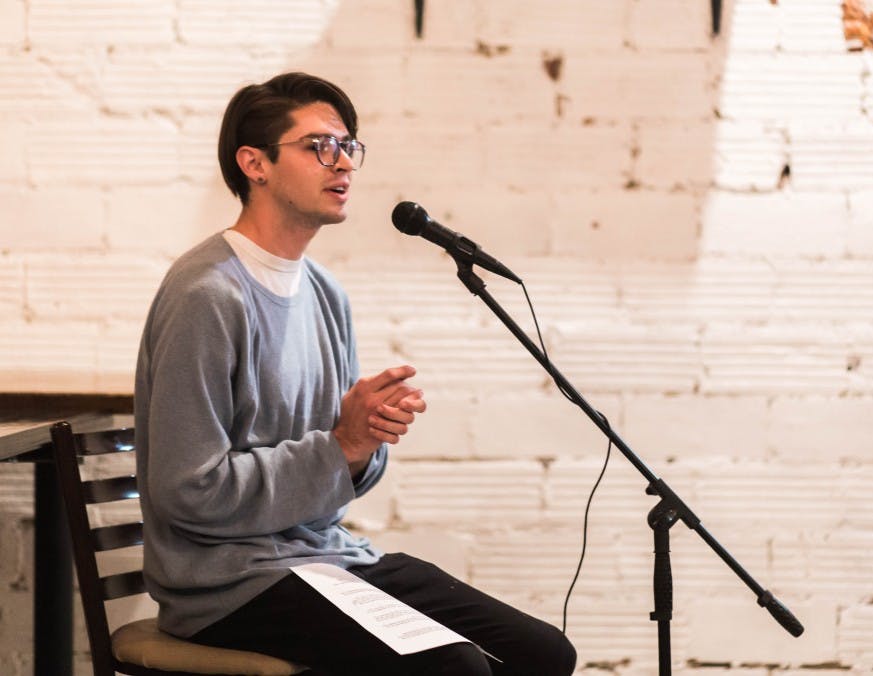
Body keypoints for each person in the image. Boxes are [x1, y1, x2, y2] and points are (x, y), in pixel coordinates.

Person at [133, 71, 576, 676]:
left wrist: (364, 444)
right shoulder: (207, 296)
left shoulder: (324, 293)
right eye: (319, 146)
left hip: (326, 559)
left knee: (545, 653)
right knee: (458, 670)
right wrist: (340, 445)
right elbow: (187, 491)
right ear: (255, 164)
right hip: (227, 585)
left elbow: (343, 473)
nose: (342, 163)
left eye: (347, 146)